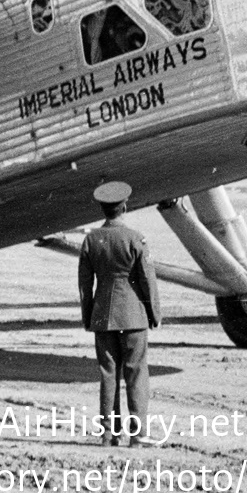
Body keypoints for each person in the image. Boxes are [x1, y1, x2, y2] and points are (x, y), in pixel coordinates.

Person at [78, 181, 161, 445]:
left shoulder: (91, 240)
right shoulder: (136, 239)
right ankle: (137, 436)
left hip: (103, 316)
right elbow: (147, 280)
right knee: (136, 373)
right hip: (133, 316)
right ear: (124, 206)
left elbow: (84, 284)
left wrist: (89, 316)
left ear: (102, 209)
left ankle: (108, 434)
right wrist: (154, 313)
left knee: (108, 373)